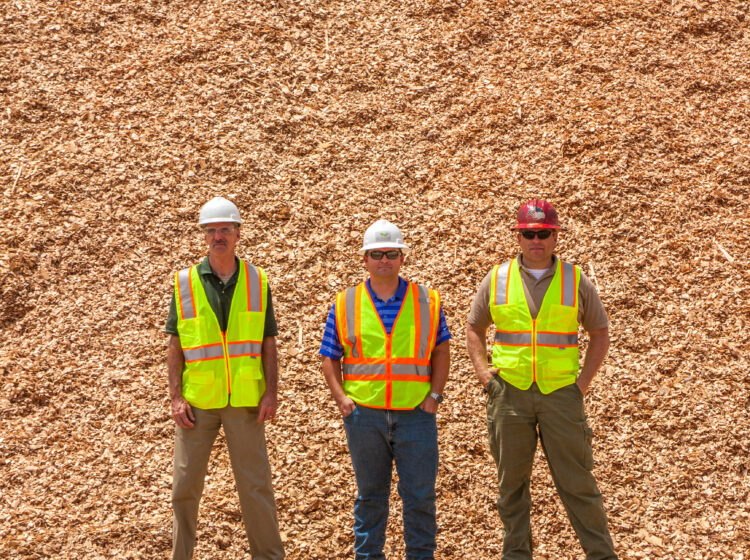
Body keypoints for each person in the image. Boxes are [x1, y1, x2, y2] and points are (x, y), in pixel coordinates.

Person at [465, 199, 618, 560]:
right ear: (519, 237)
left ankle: (602, 555)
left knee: (578, 483)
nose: (537, 240)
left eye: (544, 233)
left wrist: (580, 386)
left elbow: (600, 332)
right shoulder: (497, 277)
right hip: (509, 395)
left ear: (555, 237)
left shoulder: (575, 279)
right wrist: (485, 375)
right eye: (530, 233)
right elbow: (474, 328)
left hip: (560, 396)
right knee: (511, 486)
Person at [319, 219, 451, 560]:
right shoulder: (345, 302)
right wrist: (342, 400)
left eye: (391, 253)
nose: (384, 260)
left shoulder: (427, 300)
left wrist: (434, 397)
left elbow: (441, 350)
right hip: (365, 415)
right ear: (364, 259)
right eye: (376, 254)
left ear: (402, 258)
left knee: (420, 496)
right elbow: (329, 356)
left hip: (416, 415)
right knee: (370, 496)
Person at [165, 196, 285, 560]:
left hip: (246, 402)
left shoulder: (257, 279)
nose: (218, 236)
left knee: (256, 487)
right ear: (204, 235)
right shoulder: (184, 282)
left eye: (225, 229)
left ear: (237, 234)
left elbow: (268, 342)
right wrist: (175, 397)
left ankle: (269, 556)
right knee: (184, 488)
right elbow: (175, 344)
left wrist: (271, 392)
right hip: (197, 404)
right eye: (211, 230)